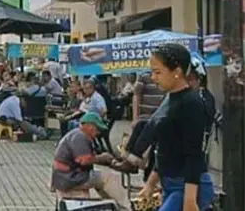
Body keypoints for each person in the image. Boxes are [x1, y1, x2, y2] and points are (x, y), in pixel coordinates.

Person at [137, 44, 214, 211]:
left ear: (177, 71)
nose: (153, 77)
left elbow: (194, 153)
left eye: (158, 72)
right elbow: (165, 148)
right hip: (170, 183)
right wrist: (151, 183)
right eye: (152, 72)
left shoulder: (191, 103)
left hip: (188, 185)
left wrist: (190, 199)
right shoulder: (169, 99)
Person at [51, 112, 125, 208]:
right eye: (97, 129)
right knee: (109, 177)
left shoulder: (75, 134)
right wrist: (102, 158)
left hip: (65, 176)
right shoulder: (80, 136)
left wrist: (103, 160)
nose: (98, 132)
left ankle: (112, 205)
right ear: (89, 126)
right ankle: (125, 207)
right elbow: (84, 160)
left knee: (101, 179)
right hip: (71, 177)